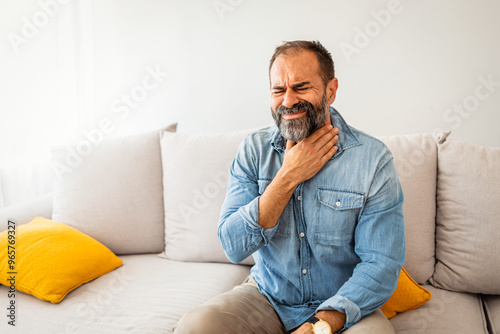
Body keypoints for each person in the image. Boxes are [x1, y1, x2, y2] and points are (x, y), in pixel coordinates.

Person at [174, 40, 405, 334]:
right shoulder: (254, 150)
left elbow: (382, 264)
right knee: (196, 326)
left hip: (341, 306)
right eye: (278, 90)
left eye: (301, 87)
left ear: (331, 90)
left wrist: (319, 325)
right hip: (268, 298)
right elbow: (233, 246)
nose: (288, 101)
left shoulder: (373, 159)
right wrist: (288, 177)